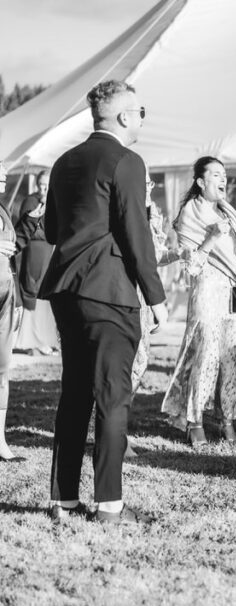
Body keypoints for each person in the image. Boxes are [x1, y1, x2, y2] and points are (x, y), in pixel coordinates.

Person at [40, 80, 166, 523]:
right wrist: (157, 296)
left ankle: (63, 501)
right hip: (109, 293)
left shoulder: (63, 162)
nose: (143, 119)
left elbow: (53, 231)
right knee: (113, 396)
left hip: (65, 290)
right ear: (125, 116)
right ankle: (110, 506)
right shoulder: (127, 161)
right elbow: (138, 234)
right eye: (141, 111)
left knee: (74, 394)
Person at [161, 156, 236, 446]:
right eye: (215, 175)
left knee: (233, 358)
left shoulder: (229, 212)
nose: (223, 179)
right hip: (208, 291)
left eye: (224, 174)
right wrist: (211, 238)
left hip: (235, 292)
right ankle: (195, 421)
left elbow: (235, 257)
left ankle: (227, 422)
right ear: (200, 181)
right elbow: (193, 266)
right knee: (206, 357)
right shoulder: (190, 213)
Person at [130, 168, 181, 396]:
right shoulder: (129, 211)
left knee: (140, 362)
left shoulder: (155, 214)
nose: (148, 188)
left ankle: (117, 419)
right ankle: (98, 425)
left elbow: (155, 257)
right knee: (121, 361)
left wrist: (179, 254)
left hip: (144, 294)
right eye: (144, 183)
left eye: (150, 184)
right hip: (127, 291)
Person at [14, 169, 59, 356]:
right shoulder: (30, 202)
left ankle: (45, 339)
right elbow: (26, 230)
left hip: (49, 256)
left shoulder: (54, 202)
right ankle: (32, 341)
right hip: (33, 256)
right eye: (41, 185)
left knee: (46, 296)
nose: (44, 188)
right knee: (32, 294)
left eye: (47, 185)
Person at [0, 161, 25, 462]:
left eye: (4, 172)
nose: (3, 175)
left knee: (3, 368)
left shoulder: (5, 210)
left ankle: (1, 441)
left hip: (7, 294)